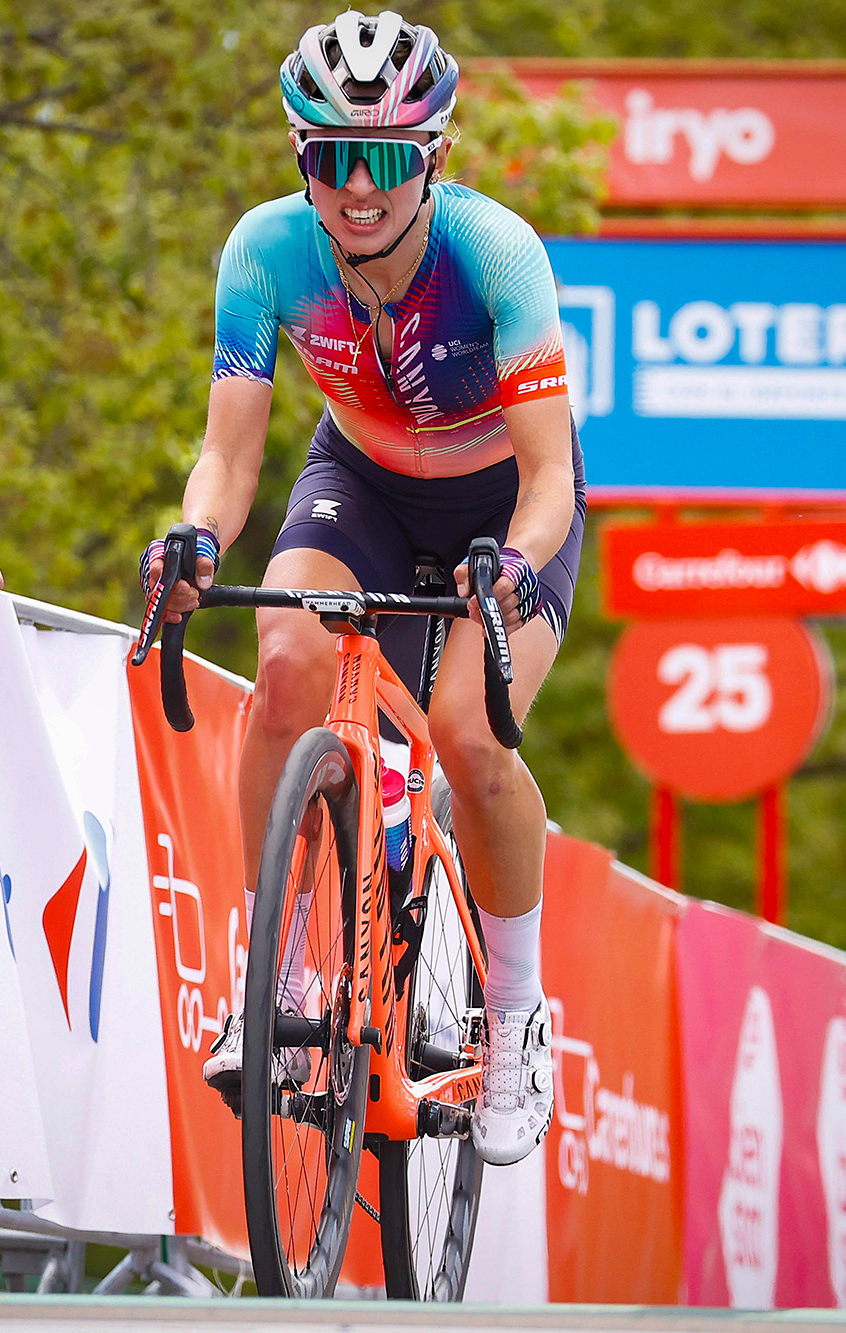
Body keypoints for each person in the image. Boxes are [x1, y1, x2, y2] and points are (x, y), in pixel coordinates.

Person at [146, 9, 582, 1167]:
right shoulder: (264, 252)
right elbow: (230, 456)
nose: (358, 187)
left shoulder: (495, 255)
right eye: (331, 158)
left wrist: (517, 566)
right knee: (284, 660)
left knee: (466, 736)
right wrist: (194, 537)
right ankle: (278, 970)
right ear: (303, 161)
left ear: (429, 156)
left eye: (384, 156)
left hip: (504, 513)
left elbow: (550, 476)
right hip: (364, 485)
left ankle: (513, 1018)